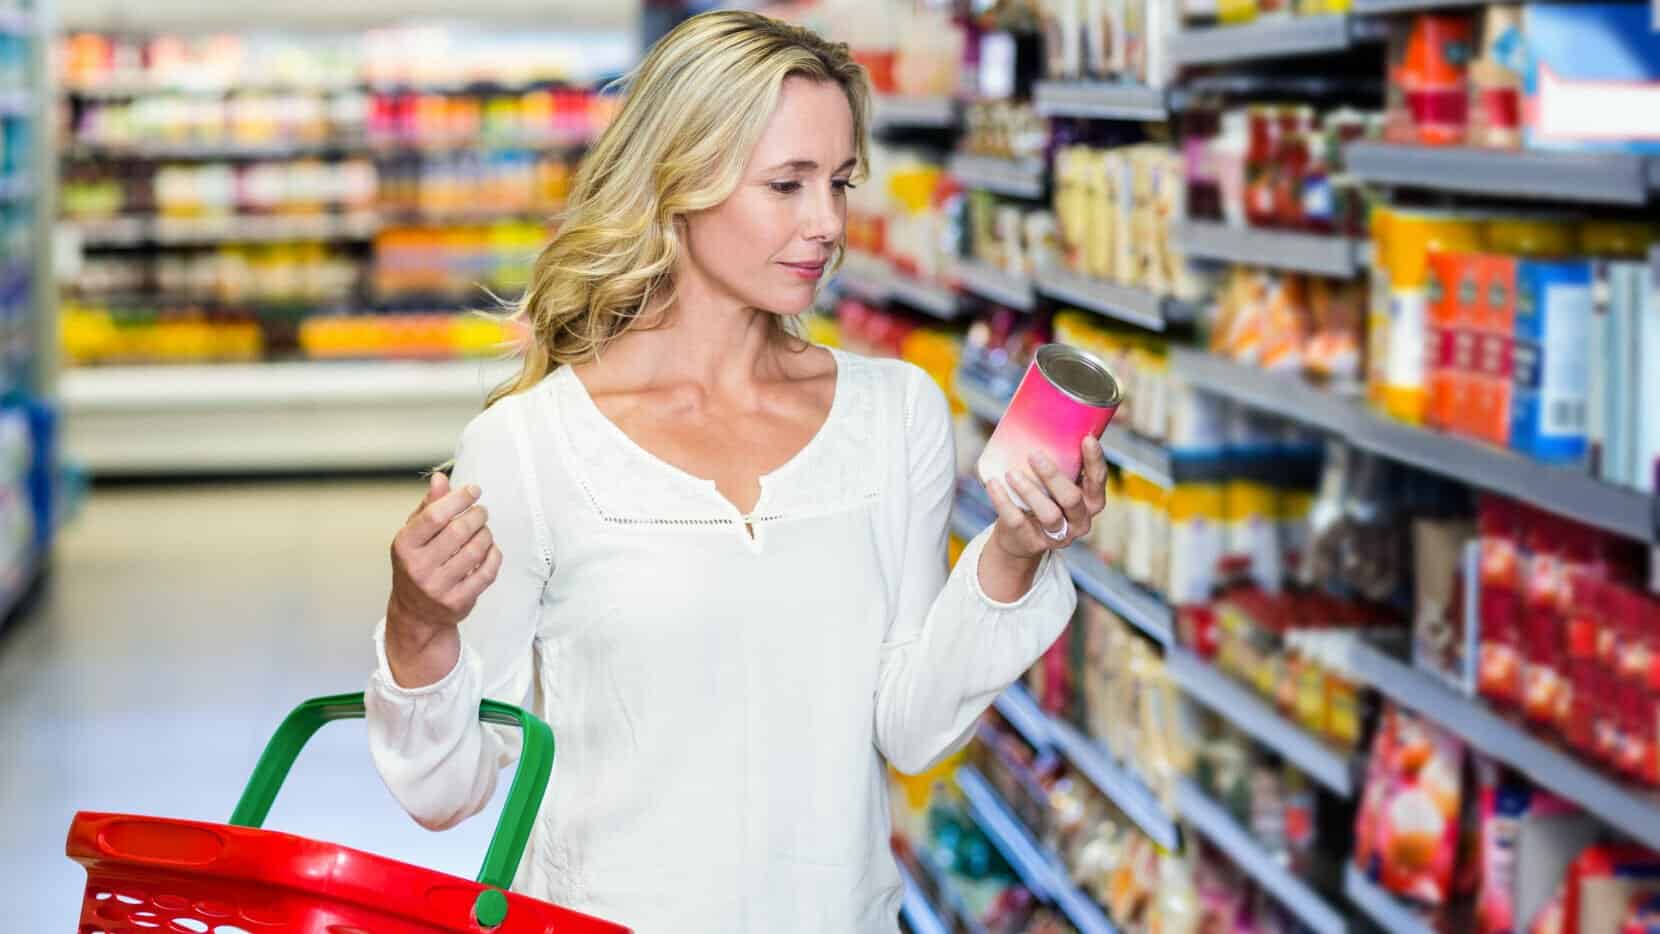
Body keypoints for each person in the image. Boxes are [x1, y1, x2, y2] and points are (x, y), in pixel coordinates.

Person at [365, 10, 1107, 932]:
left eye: (839, 182)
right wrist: (419, 623)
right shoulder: (532, 445)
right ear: (680, 181)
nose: (827, 222)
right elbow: (447, 788)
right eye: (786, 184)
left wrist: (1014, 553)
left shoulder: (894, 413)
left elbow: (911, 730)